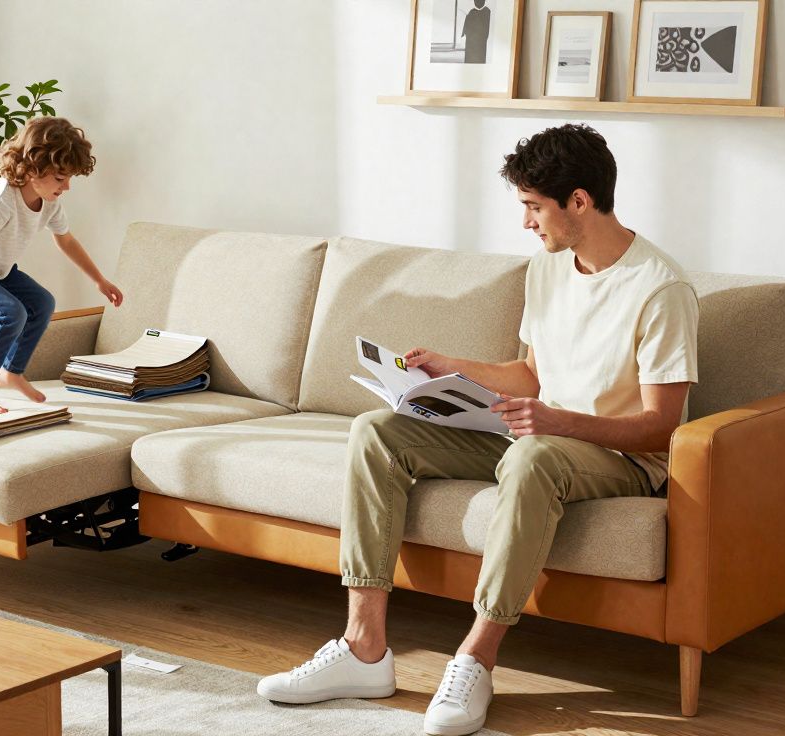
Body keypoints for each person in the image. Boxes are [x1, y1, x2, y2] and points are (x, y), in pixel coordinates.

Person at [257, 123, 699, 736]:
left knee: (533, 457)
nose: (525, 223)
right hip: (538, 433)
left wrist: (554, 421)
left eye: (533, 207)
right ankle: (363, 648)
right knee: (377, 431)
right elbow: (531, 373)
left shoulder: (662, 288)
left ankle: (475, 658)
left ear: (578, 200)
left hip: (616, 458)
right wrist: (451, 368)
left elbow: (661, 427)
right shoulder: (547, 269)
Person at [0, 116, 123, 415]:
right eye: (59, 178)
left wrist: (99, 280)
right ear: (32, 169)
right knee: (9, 313)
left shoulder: (50, 201)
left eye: (69, 178)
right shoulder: (0, 201)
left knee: (42, 303)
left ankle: (10, 372)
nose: (67, 186)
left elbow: (66, 241)